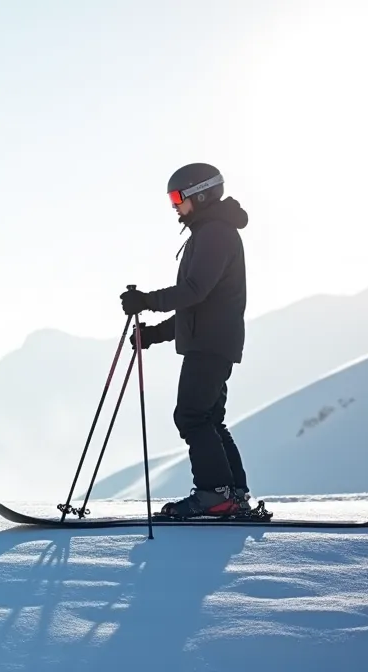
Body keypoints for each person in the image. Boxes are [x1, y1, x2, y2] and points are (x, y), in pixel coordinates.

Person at [120, 162, 253, 518]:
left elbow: (194, 291)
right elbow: (199, 306)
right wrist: (154, 335)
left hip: (210, 345)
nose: (174, 205)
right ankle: (232, 494)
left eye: (178, 197)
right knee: (207, 419)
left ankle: (215, 496)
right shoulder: (211, 232)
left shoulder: (215, 234)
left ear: (202, 194)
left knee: (192, 417)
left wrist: (147, 301)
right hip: (214, 341)